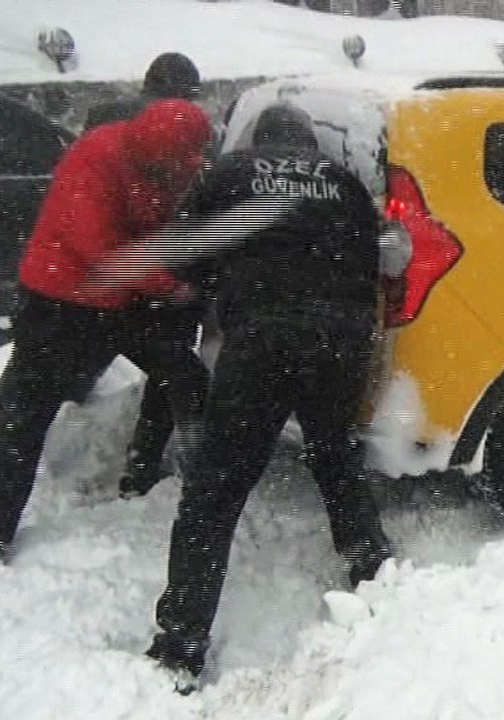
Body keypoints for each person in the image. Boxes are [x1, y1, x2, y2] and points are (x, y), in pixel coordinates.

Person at [88, 103, 401, 689]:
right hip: (341, 338)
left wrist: (214, 288)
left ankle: (180, 646)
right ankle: (374, 572)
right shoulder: (346, 183)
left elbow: (186, 250)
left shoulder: (229, 173)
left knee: (215, 490)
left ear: (263, 141)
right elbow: (382, 260)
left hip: (263, 339)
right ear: (309, 143)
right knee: (335, 457)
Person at [0, 100, 214, 565]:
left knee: (183, 374)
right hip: (60, 301)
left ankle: (153, 475)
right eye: (175, 162)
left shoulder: (169, 167)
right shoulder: (95, 157)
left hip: (120, 301)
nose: (179, 172)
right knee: (28, 415)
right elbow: (99, 249)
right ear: (154, 149)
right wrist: (168, 285)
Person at [80, 52, 209, 499]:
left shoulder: (103, 119)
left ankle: (9, 438)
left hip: (108, 273)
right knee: (174, 368)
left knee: (63, 362)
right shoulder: (192, 131)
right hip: (163, 270)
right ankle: (147, 465)